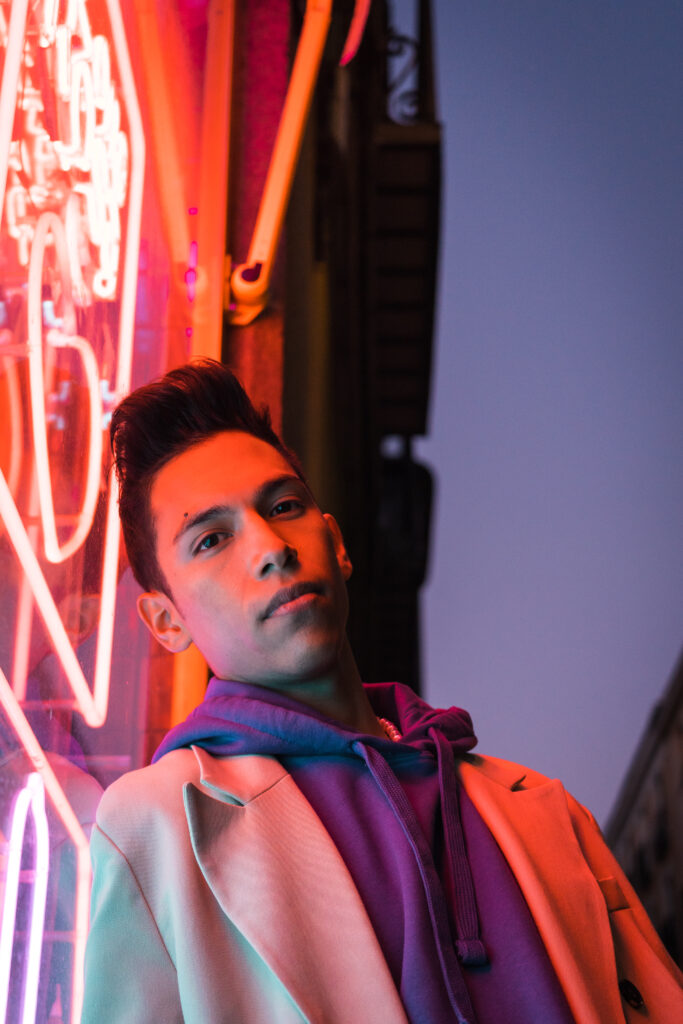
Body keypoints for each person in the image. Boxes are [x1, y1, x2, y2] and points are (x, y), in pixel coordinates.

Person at [81, 359, 682, 1024]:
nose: (270, 547)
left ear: (334, 544)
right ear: (166, 621)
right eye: (211, 539)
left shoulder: (540, 808)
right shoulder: (154, 826)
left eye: (283, 506)